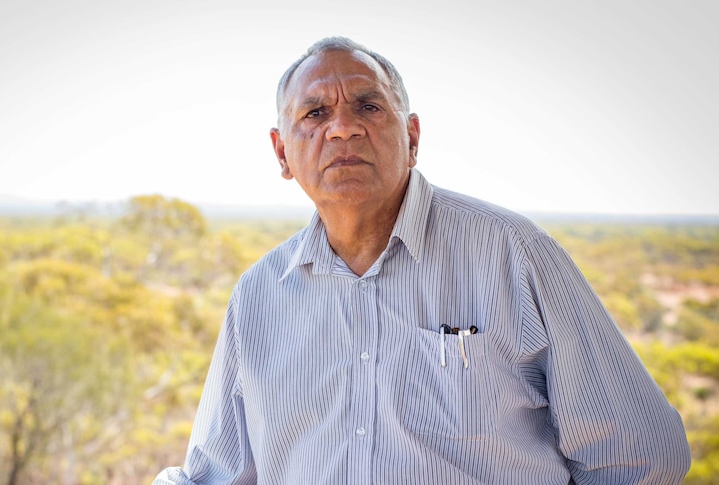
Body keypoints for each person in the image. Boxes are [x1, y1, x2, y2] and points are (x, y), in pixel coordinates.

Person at [154, 37, 690, 484]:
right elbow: (216, 475)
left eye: (367, 106)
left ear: (411, 136)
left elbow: (641, 458)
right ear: (281, 153)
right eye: (315, 113)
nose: (342, 128)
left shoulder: (513, 254)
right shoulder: (259, 294)